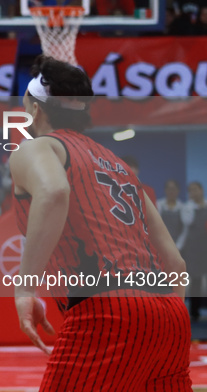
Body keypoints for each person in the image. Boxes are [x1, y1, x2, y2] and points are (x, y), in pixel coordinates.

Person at [10, 55, 191, 390]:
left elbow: (53, 192)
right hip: (170, 314)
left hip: (109, 309)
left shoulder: (35, 148)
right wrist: (158, 323)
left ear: (35, 109)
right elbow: (176, 262)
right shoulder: (116, 162)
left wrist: (24, 288)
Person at [179, 181, 207, 321]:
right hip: (193, 249)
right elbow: (187, 222)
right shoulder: (187, 208)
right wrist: (192, 206)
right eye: (190, 191)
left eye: (195, 190)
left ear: (201, 190)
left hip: (205, 247)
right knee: (195, 280)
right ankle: (194, 313)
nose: (193, 193)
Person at [157, 179, 185, 244]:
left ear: (178, 190)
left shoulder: (183, 207)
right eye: (169, 189)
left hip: (178, 244)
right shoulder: (158, 205)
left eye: (173, 189)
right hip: (161, 242)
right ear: (165, 190)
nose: (171, 191)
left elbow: (184, 230)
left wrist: (178, 245)